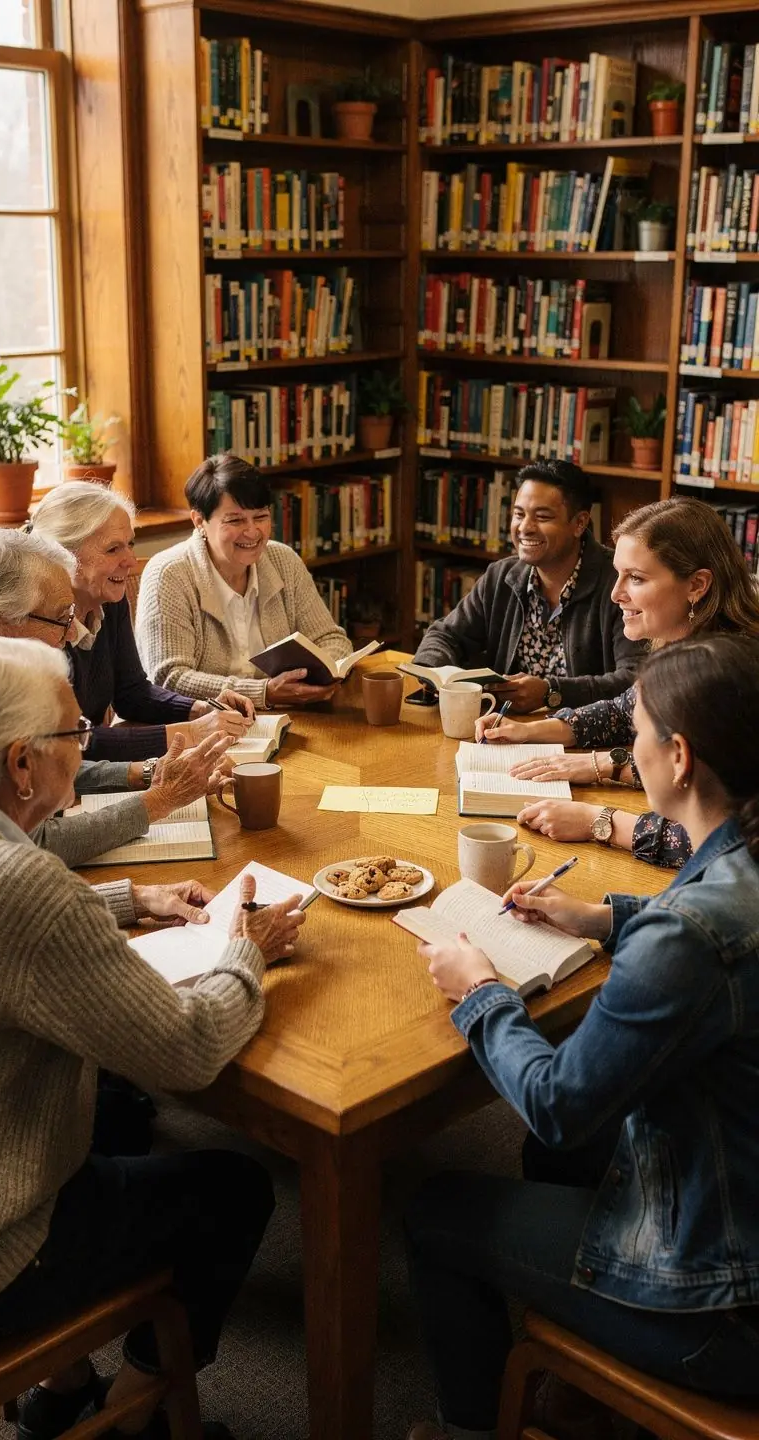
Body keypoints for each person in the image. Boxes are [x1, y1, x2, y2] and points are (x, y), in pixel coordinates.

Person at [0, 637, 307, 1440]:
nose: (86, 747)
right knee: (234, 1190)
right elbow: (187, 1050)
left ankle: (62, 1383)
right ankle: (126, 1414)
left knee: (113, 1130)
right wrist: (247, 949)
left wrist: (122, 902)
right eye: (74, 735)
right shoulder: (23, 889)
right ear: (22, 766)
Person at [406, 631, 759, 1440]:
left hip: (725, 1302)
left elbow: (559, 1105)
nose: (624, 746)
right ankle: (578, 1392)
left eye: (634, 731)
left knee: (436, 1210)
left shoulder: (691, 934)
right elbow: (713, 934)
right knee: (566, 1165)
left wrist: (482, 992)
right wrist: (602, 917)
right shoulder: (733, 873)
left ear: (678, 757)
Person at [476, 497, 759, 867]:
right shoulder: (688, 646)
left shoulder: (729, 673)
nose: (615, 594)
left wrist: (601, 820)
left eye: (636, 578)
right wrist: (532, 731)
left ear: (697, 585)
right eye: (618, 574)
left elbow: (728, 842)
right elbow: (624, 709)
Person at [0, 529, 234, 869]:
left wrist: (150, 771)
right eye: (59, 617)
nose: (70, 634)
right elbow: (38, 844)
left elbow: (45, 767)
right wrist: (161, 799)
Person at [26, 481, 255, 761]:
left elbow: (131, 693)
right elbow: (72, 740)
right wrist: (192, 732)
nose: (131, 561)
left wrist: (200, 708)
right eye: (113, 550)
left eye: (129, 544)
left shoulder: (110, 599)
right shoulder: (36, 622)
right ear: (63, 555)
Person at [412, 460, 642, 712]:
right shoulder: (502, 576)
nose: (524, 528)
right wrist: (439, 675)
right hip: (502, 728)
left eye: (542, 517)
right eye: (519, 514)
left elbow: (635, 679)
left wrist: (552, 693)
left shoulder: (619, 583)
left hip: (583, 736)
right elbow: (444, 635)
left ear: (579, 523)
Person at [135, 453, 354, 710]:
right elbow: (170, 678)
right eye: (235, 520)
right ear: (199, 521)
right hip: (202, 725)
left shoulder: (282, 560)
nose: (252, 532)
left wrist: (320, 675)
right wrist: (264, 693)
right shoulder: (169, 575)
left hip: (288, 718)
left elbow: (333, 639)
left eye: (260, 516)